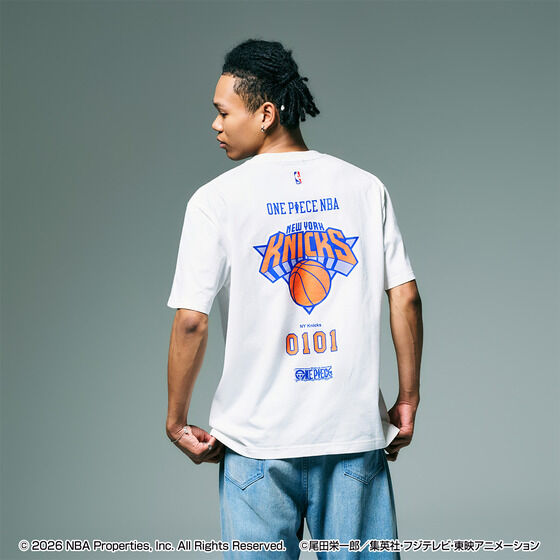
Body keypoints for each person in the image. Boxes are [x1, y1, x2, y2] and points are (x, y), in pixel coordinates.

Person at [165, 38, 423, 559]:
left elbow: (192, 322)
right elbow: (406, 298)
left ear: (265, 114)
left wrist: (176, 419)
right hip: (350, 434)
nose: (215, 125)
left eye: (223, 112)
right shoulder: (363, 187)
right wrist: (408, 398)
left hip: (255, 443)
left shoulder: (215, 200)